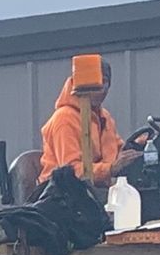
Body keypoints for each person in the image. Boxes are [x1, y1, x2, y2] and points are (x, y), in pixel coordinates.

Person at [39, 58, 142, 190]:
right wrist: (110, 169)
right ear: (80, 84)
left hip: (95, 191)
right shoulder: (64, 119)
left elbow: (118, 152)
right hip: (60, 195)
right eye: (97, 81)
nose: (102, 88)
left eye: (105, 82)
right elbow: (70, 172)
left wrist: (143, 144)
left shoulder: (104, 117)